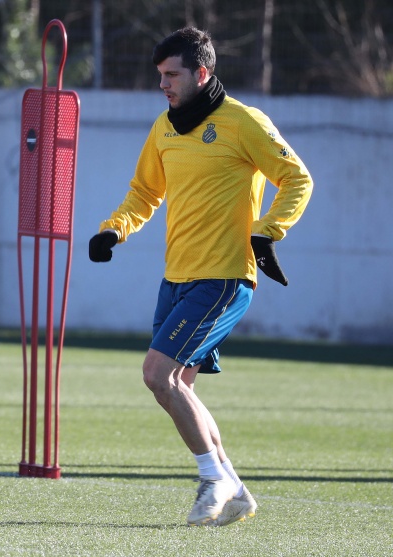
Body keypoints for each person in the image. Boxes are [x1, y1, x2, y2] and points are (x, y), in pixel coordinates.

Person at [88, 27, 313, 526]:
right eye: (160, 75)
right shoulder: (164, 128)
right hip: (176, 278)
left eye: (172, 75)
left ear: (202, 73)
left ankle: (213, 480)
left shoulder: (244, 122)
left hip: (224, 277)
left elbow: (297, 178)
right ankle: (234, 488)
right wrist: (113, 229)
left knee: (157, 374)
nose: (163, 84)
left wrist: (267, 231)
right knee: (177, 387)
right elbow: (144, 192)